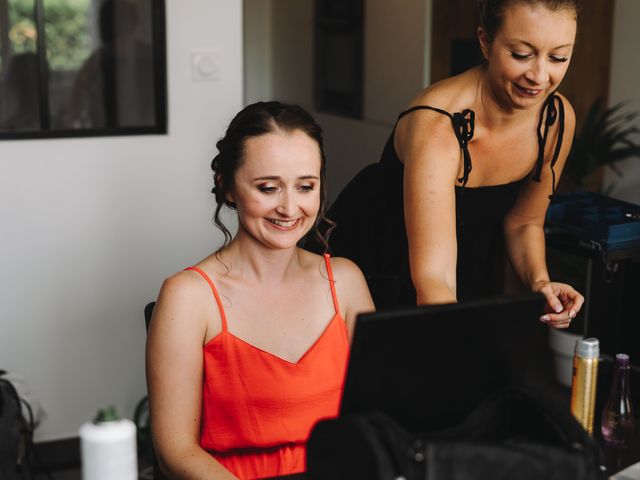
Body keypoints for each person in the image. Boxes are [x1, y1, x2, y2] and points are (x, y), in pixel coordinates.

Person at [146, 101, 374, 479]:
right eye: (268, 188)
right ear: (228, 187)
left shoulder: (346, 281)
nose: (289, 208)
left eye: (306, 187)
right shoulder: (188, 297)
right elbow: (176, 452)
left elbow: (377, 414)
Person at [323, 0, 584, 328]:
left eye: (558, 57)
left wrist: (541, 284)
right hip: (381, 265)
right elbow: (433, 277)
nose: (540, 76)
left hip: (469, 267)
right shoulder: (438, 124)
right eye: (520, 54)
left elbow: (523, 222)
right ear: (486, 42)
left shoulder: (555, 119)